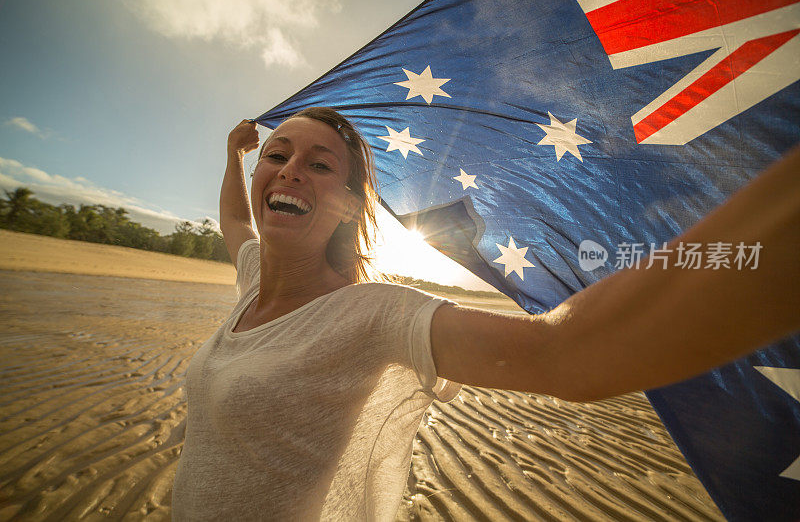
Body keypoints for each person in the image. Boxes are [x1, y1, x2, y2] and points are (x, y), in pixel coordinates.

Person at [171, 107, 800, 521]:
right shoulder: (254, 276)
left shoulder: (370, 315)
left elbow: (569, 355)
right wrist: (234, 154)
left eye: (319, 165)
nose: (289, 173)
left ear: (345, 205)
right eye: (277, 156)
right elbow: (234, 219)